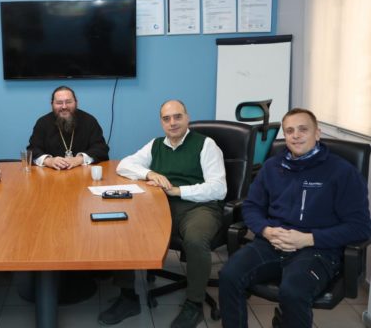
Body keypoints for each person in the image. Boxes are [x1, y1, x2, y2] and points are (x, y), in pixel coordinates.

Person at [219, 108, 371, 328]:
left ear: (317, 133)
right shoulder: (272, 167)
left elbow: (360, 227)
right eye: (290, 131)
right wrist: (266, 230)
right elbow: (251, 207)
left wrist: (308, 239)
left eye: (303, 129)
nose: (296, 135)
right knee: (229, 276)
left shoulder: (342, 172)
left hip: (317, 249)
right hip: (272, 242)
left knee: (293, 292)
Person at [102, 99, 227, 327]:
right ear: (161, 122)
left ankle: (194, 303)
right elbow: (124, 165)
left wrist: (178, 190)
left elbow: (219, 188)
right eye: (166, 118)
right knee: (123, 227)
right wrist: (149, 174)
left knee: (195, 239)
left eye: (177, 117)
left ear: (187, 118)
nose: (172, 123)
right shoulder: (156, 145)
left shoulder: (206, 145)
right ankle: (128, 297)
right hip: (161, 205)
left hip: (199, 207)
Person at [27, 86, 109, 169]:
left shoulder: (89, 121)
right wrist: (49, 161)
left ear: (76, 102)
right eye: (59, 103)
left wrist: (79, 159)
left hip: (83, 173)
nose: (64, 107)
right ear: (52, 104)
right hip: (51, 173)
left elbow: (101, 148)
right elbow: (32, 149)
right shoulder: (43, 122)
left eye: (68, 102)